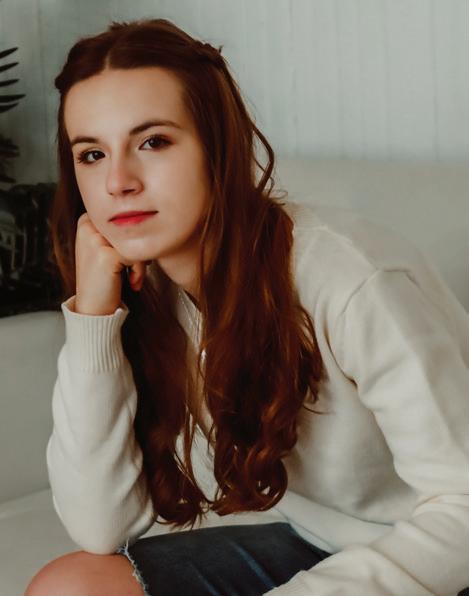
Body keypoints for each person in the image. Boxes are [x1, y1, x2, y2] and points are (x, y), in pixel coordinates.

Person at [25, 17, 469, 596]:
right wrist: (93, 319)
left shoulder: (351, 278)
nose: (117, 182)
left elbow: (462, 506)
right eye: (91, 154)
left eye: (152, 142)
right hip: (324, 544)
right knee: (71, 586)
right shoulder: (148, 289)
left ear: (218, 146)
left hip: (445, 554)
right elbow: (100, 526)